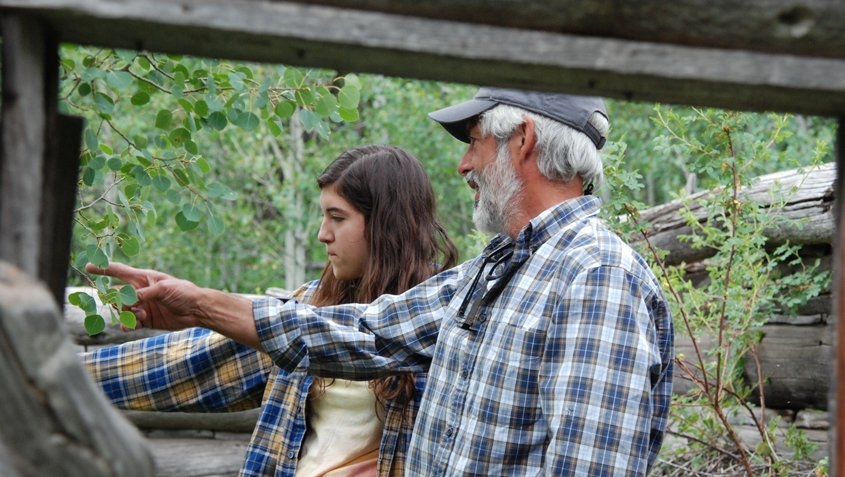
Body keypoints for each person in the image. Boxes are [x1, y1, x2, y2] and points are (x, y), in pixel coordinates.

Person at [89, 87, 674, 475]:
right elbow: (363, 333)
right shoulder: (496, 269)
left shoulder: (594, 278)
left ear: (521, 139)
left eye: (473, 142)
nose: (464, 165)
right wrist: (198, 304)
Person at [81, 144, 459, 476]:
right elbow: (191, 363)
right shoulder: (311, 306)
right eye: (323, 216)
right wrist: (49, 373)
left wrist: (201, 304)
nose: (322, 234)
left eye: (338, 217)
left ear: (386, 225)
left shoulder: (449, 321)